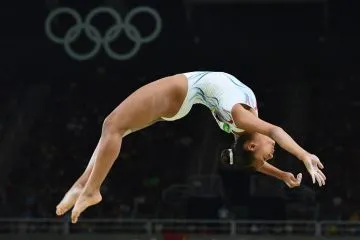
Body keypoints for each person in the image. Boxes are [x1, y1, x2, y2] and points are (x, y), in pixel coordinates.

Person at [55, 71, 326, 223]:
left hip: (181, 90)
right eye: (273, 152)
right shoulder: (241, 128)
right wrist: (283, 176)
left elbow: (274, 134)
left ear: (252, 144)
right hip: (182, 98)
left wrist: (303, 155)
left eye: (271, 152)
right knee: (115, 129)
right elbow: (254, 162)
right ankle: (83, 184)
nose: (273, 150)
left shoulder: (243, 121)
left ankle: (92, 190)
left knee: (113, 125)